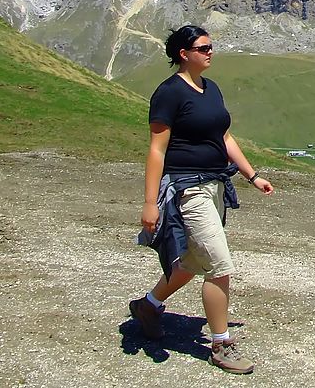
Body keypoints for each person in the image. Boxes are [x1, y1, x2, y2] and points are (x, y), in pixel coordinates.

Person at [129, 25, 273, 374]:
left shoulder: (211, 89)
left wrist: (252, 175)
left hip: (215, 186)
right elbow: (156, 149)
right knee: (219, 265)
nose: (210, 52)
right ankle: (221, 343)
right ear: (184, 53)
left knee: (193, 263)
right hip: (187, 188)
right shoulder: (169, 93)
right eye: (203, 47)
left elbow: (224, 136)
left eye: (211, 46)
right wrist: (150, 203)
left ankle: (148, 305)